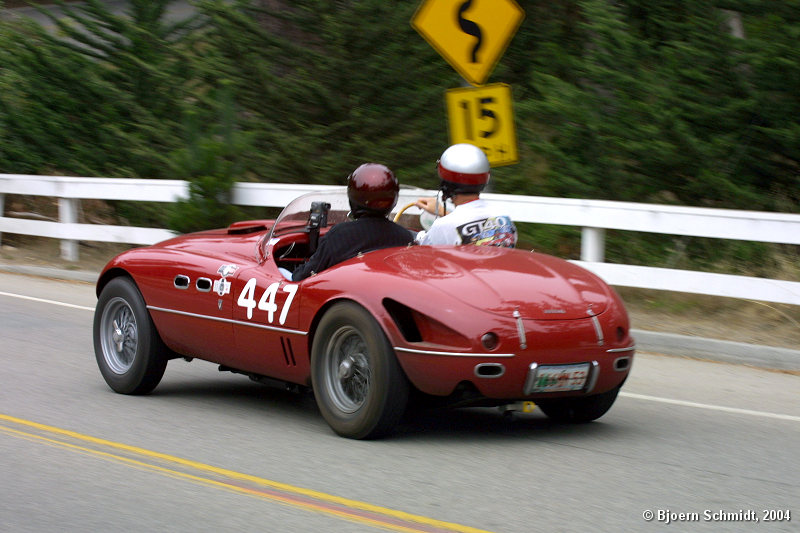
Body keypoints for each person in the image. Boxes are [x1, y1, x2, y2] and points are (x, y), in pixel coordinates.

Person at [291, 163, 414, 281]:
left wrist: (296, 270)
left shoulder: (339, 235)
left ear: (354, 197)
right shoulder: (405, 237)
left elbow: (304, 276)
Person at [415, 144, 517, 247]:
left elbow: (423, 251)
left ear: (446, 183)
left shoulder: (443, 227)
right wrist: (442, 211)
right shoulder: (504, 217)